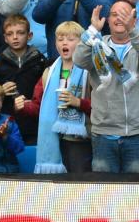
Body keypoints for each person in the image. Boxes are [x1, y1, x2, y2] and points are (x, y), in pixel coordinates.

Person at [15, 21, 91, 174]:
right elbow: (39, 106)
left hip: (80, 139)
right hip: (54, 138)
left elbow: (103, 106)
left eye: (70, 39)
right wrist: (23, 106)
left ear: (81, 43)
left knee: (80, 186)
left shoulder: (90, 70)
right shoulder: (48, 72)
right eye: (60, 39)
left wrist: (79, 103)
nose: (64, 43)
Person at [74, 2, 139, 173]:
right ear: (108, 20)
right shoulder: (96, 44)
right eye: (115, 14)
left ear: (134, 19)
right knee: (105, 193)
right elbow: (79, 60)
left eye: (125, 14)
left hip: (136, 134)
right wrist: (92, 31)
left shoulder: (136, 45)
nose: (119, 18)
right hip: (103, 134)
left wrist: (133, 31)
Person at [0, 14, 48, 145]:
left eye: (20, 33)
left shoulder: (41, 62)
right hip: (6, 124)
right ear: (5, 38)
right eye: (10, 34)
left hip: (34, 125)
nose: (15, 37)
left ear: (30, 35)